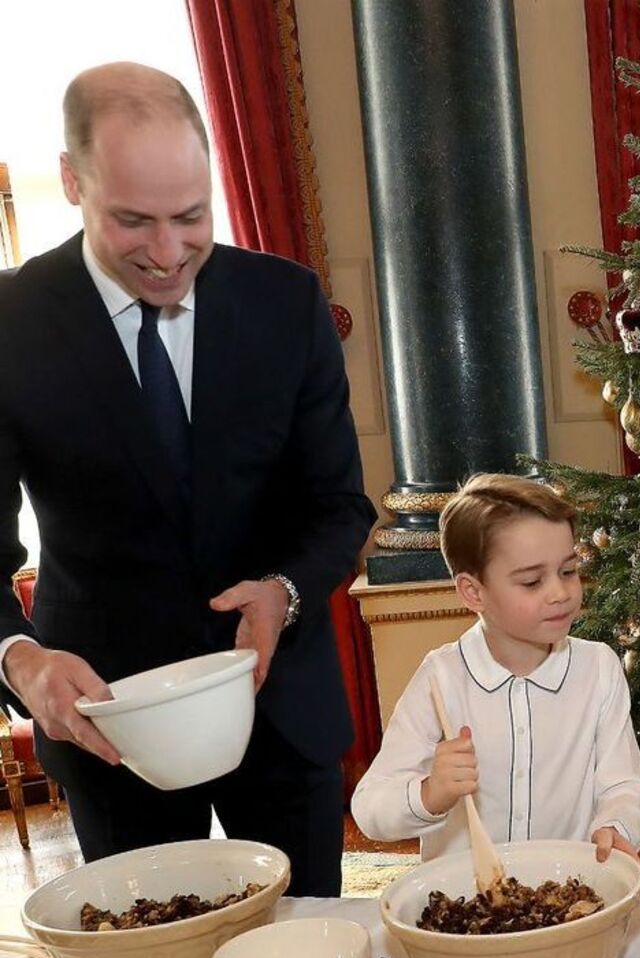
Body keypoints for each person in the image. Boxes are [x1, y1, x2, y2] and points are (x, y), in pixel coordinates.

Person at [0, 63, 375, 895]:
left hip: (282, 712)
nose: (169, 254)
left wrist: (284, 590)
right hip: (109, 728)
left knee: (307, 949)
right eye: (133, 221)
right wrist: (21, 658)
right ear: (71, 180)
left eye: (191, 217)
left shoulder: (288, 303)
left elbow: (340, 507)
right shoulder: (10, 324)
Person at [351, 474, 640, 862]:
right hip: (468, 907)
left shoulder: (599, 668)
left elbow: (623, 784)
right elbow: (370, 809)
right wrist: (430, 793)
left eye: (568, 571)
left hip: (568, 893)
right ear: (473, 592)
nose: (560, 593)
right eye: (531, 581)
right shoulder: (440, 678)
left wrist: (616, 824)